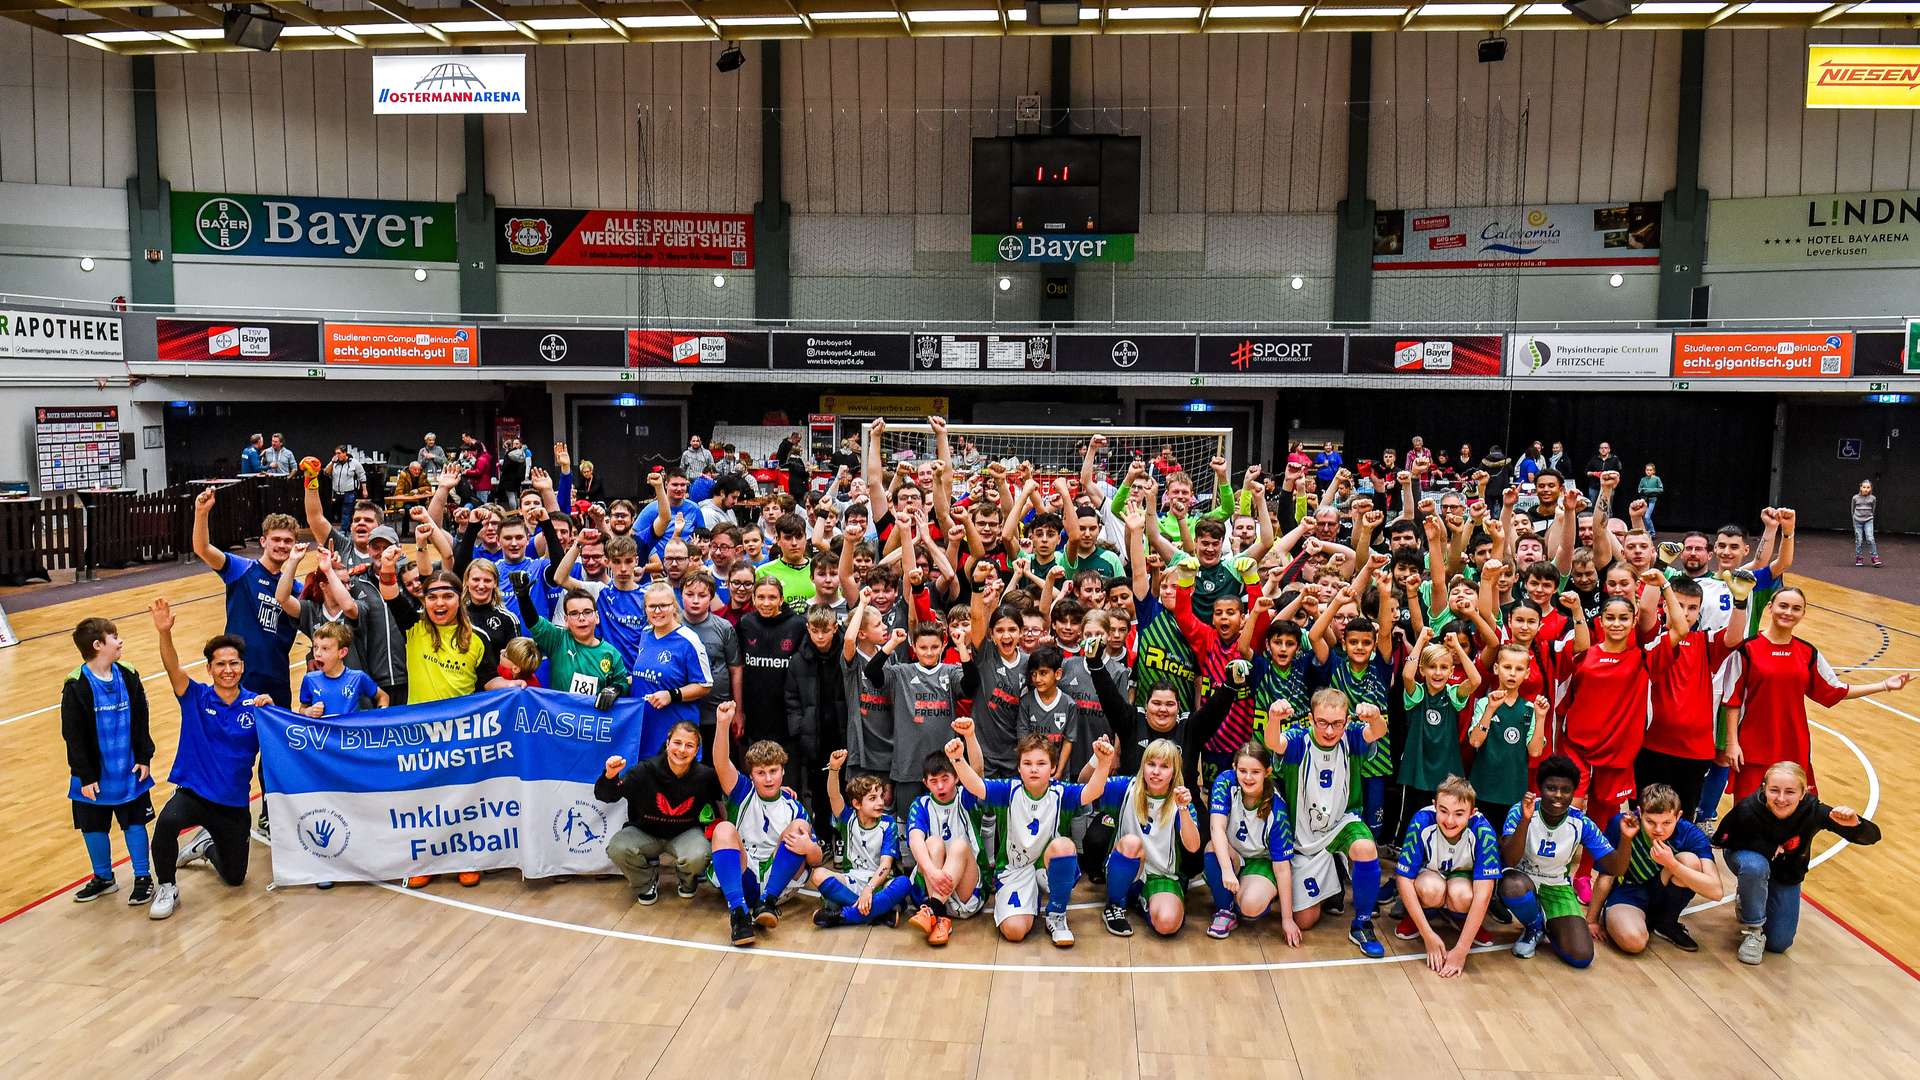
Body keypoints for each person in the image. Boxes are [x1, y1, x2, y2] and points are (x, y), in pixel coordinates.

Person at [1717, 586, 1911, 801]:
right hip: (1753, 747)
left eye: (1796, 608)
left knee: (1793, 815)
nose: (1788, 612)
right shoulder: (1747, 649)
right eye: (1783, 606)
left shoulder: (1807, 652)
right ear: (1770, 607)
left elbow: (1835, 690)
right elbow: (1732, 701)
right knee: (1749, 813)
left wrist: (1884, 684)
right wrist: (1732, 743)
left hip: (1794, 746)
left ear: (1803, 614)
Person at [145, 597, 269, 921]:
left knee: (235, 878)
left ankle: (205, 847)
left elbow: (289, 736)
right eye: (220, 664)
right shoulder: (195, 696)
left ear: (242, 666)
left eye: (234, 663)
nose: (228, 670)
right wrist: (164, 633)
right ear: (210, 668)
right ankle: (167, 886)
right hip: (195, 794)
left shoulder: (258, 707)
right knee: (167, 823)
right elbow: (172, 667)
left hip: (233, 804)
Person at [946, 729, 1118, 947]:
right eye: (1027, 763)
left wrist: (1104, 763)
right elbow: (976, 786)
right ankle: (1030, 897)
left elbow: (1092, 791)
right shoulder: (1008, 790)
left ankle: (1056, 914)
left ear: (1053, 767)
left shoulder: (1060, 792)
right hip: (1015, 869)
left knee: (1064, 846)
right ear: (1019, 768)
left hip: (1047, 865)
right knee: (1014, 932)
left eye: (1041, 763)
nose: (1034, 769)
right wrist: (957, 759)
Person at [1713, 761, 1881, 964]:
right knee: (1755, 867)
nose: (1781, 798)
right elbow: (1721, 839)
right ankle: (1753, 930)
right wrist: (1763, 847)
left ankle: (1749, 896)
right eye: (1774, 790)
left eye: (1790, 792)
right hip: (1748, 860)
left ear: (1803, 793)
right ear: (1764, 788)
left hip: (1786, 872)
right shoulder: (1749, 808)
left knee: (1779, 943)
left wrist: (1856, 824)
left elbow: (1872, 837)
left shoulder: (1814, 810)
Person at [1498, 755, 1631, 967]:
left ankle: (1550, 923)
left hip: (1557, 885)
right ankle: (1534, 928)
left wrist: (1626, 838)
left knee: (1581, 956)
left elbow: (1615, 867)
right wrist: (1525, 820)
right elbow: (1510, 859)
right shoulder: (1521, 810)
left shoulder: (1581, 823)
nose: (1558, 795)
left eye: (1565, 790)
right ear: (1540, 788)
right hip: (1523, 879)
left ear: (1575, 792)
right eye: (1551, 788)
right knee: (1512, 886)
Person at [709, 701, 822, 946]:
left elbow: (816, 860)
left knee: (800, 827)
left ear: (783, 771)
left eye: (773, 771)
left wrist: (809, 848)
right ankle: (739, 915)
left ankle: (767, 903)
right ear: (751, 775)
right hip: (744, 877)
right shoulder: (743, 793)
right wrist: (722, 724)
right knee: (723, 829)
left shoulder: (794, 806)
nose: (768, 778)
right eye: (761, 773)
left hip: (779, 885)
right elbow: (720, 763)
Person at [62, 615, 156, 906]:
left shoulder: (128, 674)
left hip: (129, 770)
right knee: (93, 827)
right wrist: (85, 775)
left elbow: (142, 718)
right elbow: (73, 735)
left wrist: (144, 756)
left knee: (135, 823)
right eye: (114, 637)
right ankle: (104, 877)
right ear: (98, 645)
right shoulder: (76, 685)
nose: (120, 641)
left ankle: (143, 877)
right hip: (92, 777)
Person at [1587, 783, 1721, 955]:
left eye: (1666, 822)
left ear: (1678, 816)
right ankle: (1639, 920)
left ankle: (1666, 923)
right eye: (1650, 822)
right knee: (1633, 943)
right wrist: (1591, 920)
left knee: (1689, 861)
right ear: (1640, 813)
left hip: (1661, 888)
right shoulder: (1621, 824)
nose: (1658, 830)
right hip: (1628, 892)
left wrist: (1672, 864)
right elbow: (1606, 876)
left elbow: (1716, 891)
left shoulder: (1691, 833)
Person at [598, 720, 723, 903]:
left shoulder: (706, 776)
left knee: (699, 854)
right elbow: (606, 796)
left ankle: (687, 878)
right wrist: (609, 776)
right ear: (667, 743)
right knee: (617, 848)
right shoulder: (644, 770)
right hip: (645, 832)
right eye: (677, 743)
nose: (681, 750)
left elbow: (718, 806)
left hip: (685, 833)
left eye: (689, 746)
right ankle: (646, 881)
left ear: (696, 751)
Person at [1393, 776, 1502, 977]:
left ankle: (1462, 920)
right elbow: (1403, 879)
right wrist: (1427, 935)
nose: (1449, 820)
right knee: (1430, 888)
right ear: (1434, 806)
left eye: (1459, 814)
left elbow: (1484, 894)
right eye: (1443, 811)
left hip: (1461, 881)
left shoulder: (1484, 831)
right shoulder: (1422, 821)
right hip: (1430, 877)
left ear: (1472, 813)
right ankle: (1424, 917)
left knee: (1463, 895)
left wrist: (1461, 950)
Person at [1095, 738, 1203, 938]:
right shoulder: (1126, 788)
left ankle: (1143, 900)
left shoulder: (1180, 800)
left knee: (1168, 923)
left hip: (1161, 875)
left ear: (1174, 772)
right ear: (1143, 765)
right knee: (1131, 843)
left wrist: (1184, 809)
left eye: (1164, 766)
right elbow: (1086, 786)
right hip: (1127, 865)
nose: (1156, 771)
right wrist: (1100, 762)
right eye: (1151, 764)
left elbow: (1193, 846)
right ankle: (1115, 904)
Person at [1203, 739, 1300, 942]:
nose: (1248, 777)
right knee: (1213, 849)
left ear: (1267, 771)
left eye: (1255, 772)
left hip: (1262, 861)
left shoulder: (1277, 810)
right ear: (1234, 768)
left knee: (1250, 906)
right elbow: (1216, 828)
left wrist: (1287, 919)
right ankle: (1225, 910)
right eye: (1243, 770)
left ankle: (1251, 893)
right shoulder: (1225, 782)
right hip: (1234, 854)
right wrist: (1227, 870)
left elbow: (1282, 868)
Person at [905, 720, 987, 946]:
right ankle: (938, 916)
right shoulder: (920, 804)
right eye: (934, 781)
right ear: (925, 783)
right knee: (932, 842)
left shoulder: (966, 796)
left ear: (957, 778)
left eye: (945, 779)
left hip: (964, 894)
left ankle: (933, 911)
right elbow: (914, 840)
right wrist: (931, 871)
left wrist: (969, 736)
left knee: (959, 845)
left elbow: (978, 772)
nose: (940, 787)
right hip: (932, 884)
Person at [812, 751, 917, 927]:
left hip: (879, 882)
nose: (881, 803)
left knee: (904, 883)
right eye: (873, 798)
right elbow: (833, 795)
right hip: (852, 879)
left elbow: (885, 865)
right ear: (857, 804)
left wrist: (869, 890)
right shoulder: (847, 819)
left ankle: (844, 916)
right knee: (818, 874)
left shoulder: (887, 823)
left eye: (881, 796)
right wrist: (834, 769)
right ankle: (879, 913)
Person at [509, 572, 629, 707]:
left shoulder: (612, 654)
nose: (581, 618)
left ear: (597, 617)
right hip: (560, 721)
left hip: (593, 722)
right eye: (574, 613)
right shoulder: (558, 640)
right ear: (566, 621)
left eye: (587, 612)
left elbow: (622, 685)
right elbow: (533, 623)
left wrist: (616, 689)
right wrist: (523, 597)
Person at [628, 582, 713, 757]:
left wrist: (671, 695)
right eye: (652, 606)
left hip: (676, 735)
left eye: (663, 605)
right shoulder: (645, 634)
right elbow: (645, 675)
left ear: (674, 606)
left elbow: (705, 685)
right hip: (645, 730)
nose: (657, 611)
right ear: (645, 609)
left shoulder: (689, 640)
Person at [297, 622, 385, 716]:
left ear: (342, 652)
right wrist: (308, 711)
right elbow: (302, 709)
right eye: (315, 647)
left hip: (351, 730)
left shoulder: (358, 677)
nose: (317, 653)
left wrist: (380, 716)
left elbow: (383, 696)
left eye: (325, 648)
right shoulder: (309, 679)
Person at [325, 446, 367, 526]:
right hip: (337, 493)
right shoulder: (334, 463)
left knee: (346, 512)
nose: (337, 455)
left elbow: (362, 475)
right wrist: (332, 462)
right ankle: (348, 529)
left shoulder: (354, 463)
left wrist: (364, 489)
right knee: (340, 513)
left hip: (350, 492)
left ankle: (343, 532)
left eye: (339, 453)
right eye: (336, 453)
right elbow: (326, 472)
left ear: (345, 453)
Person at [1852, 479, 1880, 567]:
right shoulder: (1855, 498)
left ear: (1871, 488)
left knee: (1870, 538)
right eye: (1864, 487)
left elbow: (1873, 509)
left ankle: (1875, 557)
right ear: (1860, 488)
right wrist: (1854, 520)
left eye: (1868, 487)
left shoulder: (1873, 498)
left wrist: (1870, 518)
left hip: (1868, 520)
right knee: (1859, 540)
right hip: (1857, 521)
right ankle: (1859, 557)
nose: (1866, 489)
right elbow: (1852, 510)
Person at [1637, 463, 1664, 538]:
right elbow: (1639, 489)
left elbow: (1660, 489)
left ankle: (1652, 532)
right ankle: (1646, 532)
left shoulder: (1656, 479)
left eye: (1650, 470)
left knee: (1647, 516)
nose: (1648, 471)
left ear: (1653, 471)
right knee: (1643, 517)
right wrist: (1643, 490)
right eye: (1647, 470)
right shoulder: (1643, 479)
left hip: (1652, 500)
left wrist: (1648, 490)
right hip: (1644, 500)